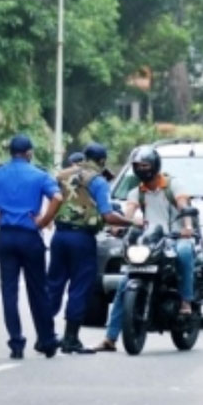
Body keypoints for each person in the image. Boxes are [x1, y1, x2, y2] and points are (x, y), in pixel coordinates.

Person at [0, 135, 62, 359]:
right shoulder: (39, 175)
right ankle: (46, 339)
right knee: (38, 290)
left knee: (9, 291)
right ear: (28, 153)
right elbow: (57, 197)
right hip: (29, 237)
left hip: (6, 237)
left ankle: (16, 342)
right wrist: (44, 221)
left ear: (11, 152)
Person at [92, 146, 196, 352]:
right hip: (152, 241)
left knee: (185, 252)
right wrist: (117, 227)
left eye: (145, 165)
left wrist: (188, 227)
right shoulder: (136, 192)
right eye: (138, 166)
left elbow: (183, 205)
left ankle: (186, 301)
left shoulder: (173, 184)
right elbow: (129, 215)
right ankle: (110, 338)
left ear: (155, 166)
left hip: (175, 237)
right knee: (124, 283)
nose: (141, 169)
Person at [48, 143, 138, 354]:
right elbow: (107, 215)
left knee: (53, 285)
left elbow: (53, 204)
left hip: (59, 237)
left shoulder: (61, 175)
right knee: (80, 287)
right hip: (81, 239)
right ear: (102, 161)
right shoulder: (97, 181)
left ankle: (45, 336)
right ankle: (71, 338)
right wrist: (131, 223)